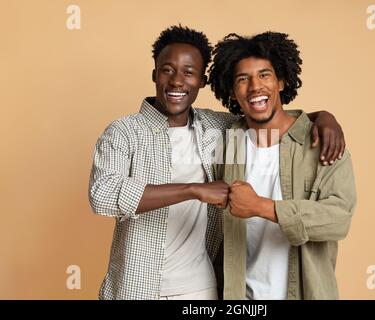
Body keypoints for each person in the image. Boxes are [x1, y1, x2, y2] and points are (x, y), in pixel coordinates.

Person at [88, 25, 346, 300]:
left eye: (189, 72)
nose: (177, 81)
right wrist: (193, 189)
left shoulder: (217, 128)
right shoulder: (124, 132)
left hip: (201, 289)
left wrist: (323, 117)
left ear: (202, 80)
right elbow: (102, 195)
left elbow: (265, 113)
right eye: (167, 70)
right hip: (136, 286)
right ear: (155, 74)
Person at [210, 32, 357, 300]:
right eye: (243, 79)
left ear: (281, 81)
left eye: (264, 75)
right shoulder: (228, 141)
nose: (255, 87)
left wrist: (262, 207)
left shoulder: (323, 142)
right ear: (232, 91)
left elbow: (339, 219)